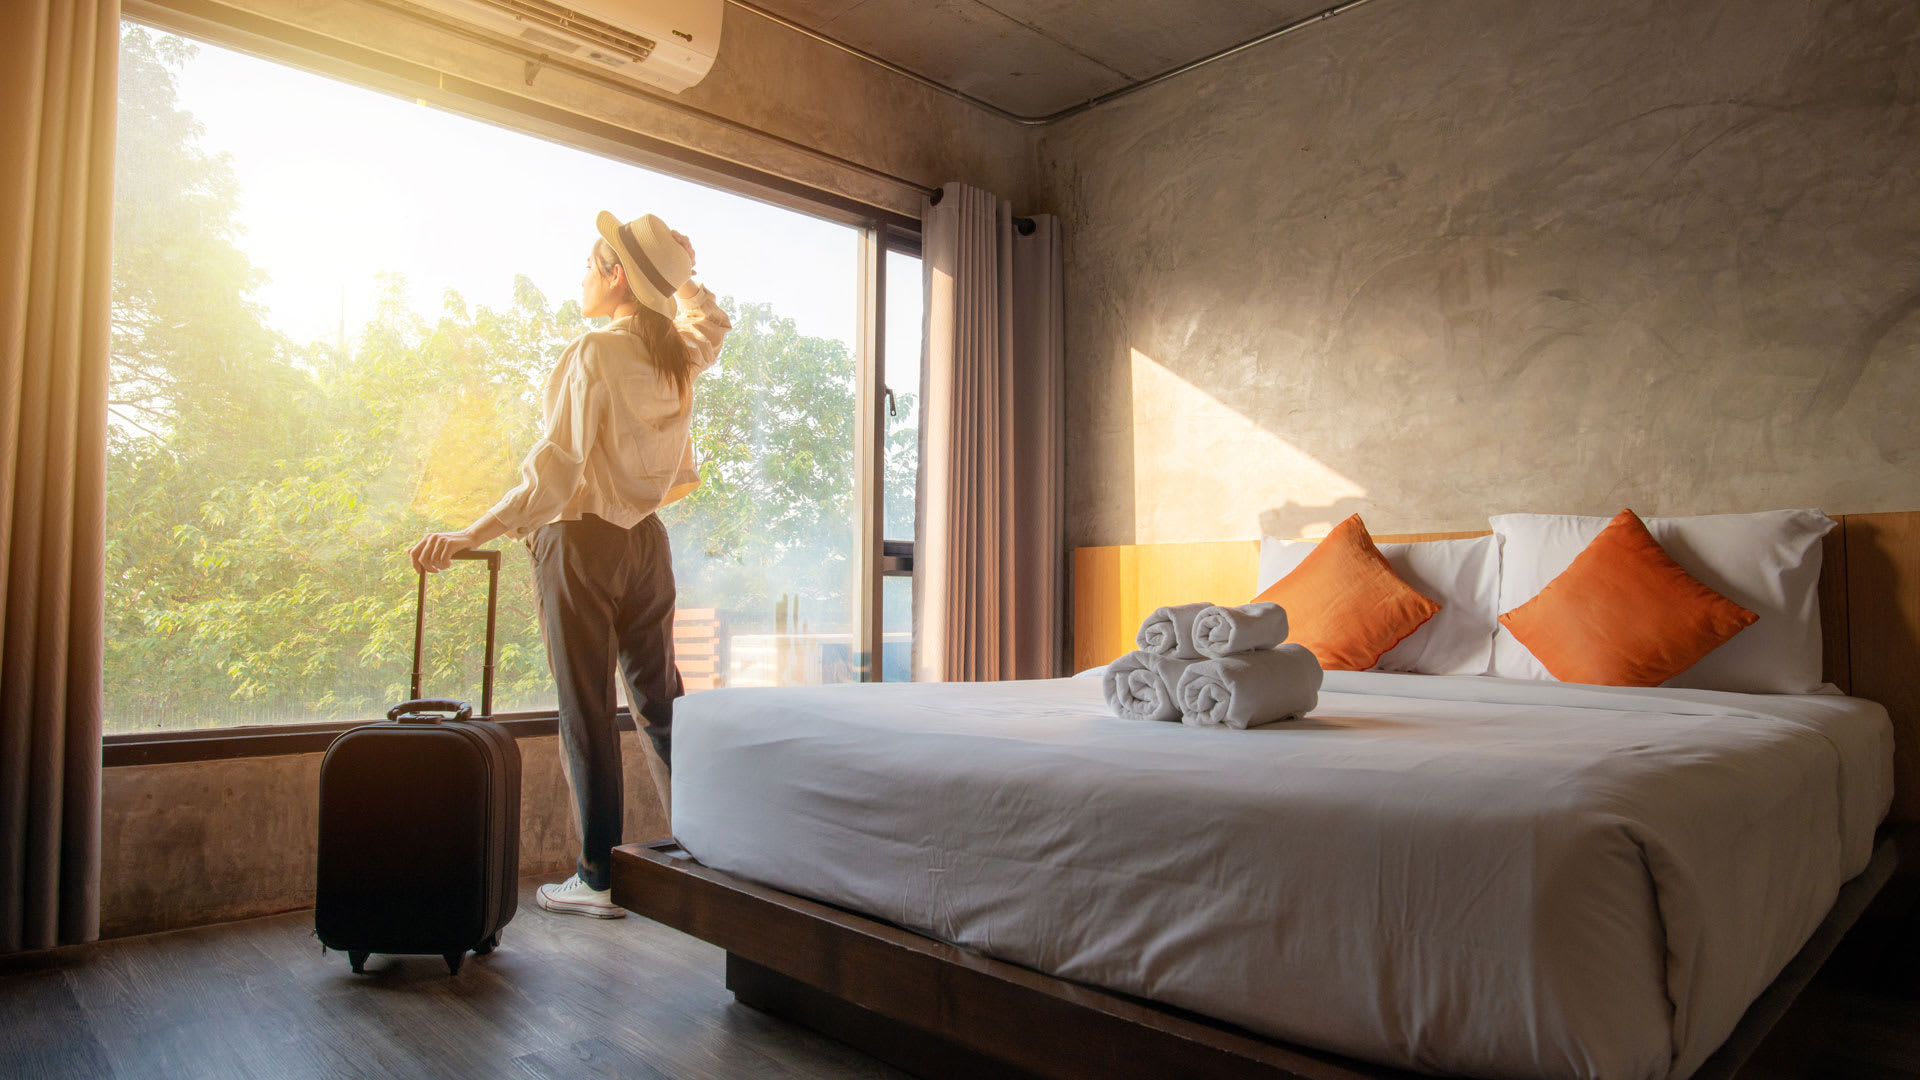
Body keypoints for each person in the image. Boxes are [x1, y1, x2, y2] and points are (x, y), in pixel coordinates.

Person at [409, 212, 730, 919]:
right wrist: (681, 276)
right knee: (661, 707)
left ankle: (598, 878)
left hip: (581, 544)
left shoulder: (594, 353)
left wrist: (467, 533)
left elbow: (552, 476)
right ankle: (712, 856)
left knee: (587, 710)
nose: (581, 278)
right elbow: (712, 322)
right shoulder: (677, 352)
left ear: (616, 276)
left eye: (591, 265)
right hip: (648, 546)